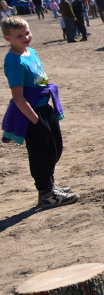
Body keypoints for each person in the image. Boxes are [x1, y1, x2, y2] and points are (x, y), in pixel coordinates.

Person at [2, 17, 78, 208]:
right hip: (31, 113)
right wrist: (35, 121)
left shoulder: (31, 52)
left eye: (27, 32)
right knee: (40, 153)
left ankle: (51, 186)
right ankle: (46, 193)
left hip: (45, 108)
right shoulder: (14, 61)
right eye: (19, 35)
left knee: (54, 148)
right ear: (7, 38)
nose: (25, 37)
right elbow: (18, 97)